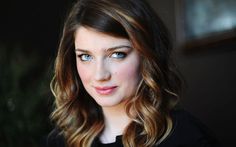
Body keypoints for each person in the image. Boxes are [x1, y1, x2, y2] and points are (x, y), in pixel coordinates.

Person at [46, 0, 220, 146]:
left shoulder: (187, 138)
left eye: (117, 54)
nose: (100, 75)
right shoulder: (59, 141)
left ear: (146, 55)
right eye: (85, 56)